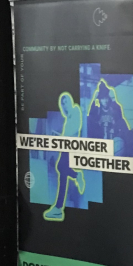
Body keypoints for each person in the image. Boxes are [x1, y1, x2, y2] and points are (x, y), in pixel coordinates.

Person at [43, 92, 85, 221]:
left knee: (61, 168)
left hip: (72, 147)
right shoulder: (68, 118)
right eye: (63, 103)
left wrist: (62, 137)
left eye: (66, 101)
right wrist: (59, 136)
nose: (65, 105)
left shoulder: (76, 110)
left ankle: (58, 207)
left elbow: (75, 129)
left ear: (71, 101)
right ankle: (77, 176)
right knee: (61, 169)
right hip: (66, 146)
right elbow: (66, 133)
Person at [87, 80, 133, 156]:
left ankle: (132, 149)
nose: (105, 101)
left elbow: (122, 123)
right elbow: (90, 116)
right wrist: (94, 98)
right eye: (102, 99)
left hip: (115, 142)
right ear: (99, 100)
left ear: (109, 98)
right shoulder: (97, 111)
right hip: (102, 144)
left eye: (106, 98)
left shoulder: (114, 110)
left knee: (123, 124)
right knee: (88, 120)